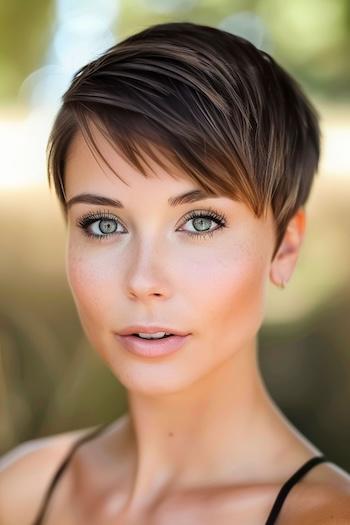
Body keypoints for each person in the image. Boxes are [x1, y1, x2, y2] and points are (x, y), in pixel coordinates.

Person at [0, 21, 349, 525]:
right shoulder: (22, 492)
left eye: (200, 222)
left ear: (284, 247)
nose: (143, 279)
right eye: (103, 224)